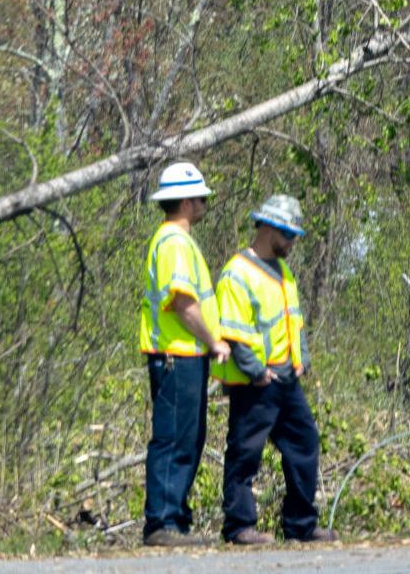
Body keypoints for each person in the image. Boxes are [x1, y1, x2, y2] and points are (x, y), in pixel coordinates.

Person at [213, 194, 338, 545]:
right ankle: (239, 527)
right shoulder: (237, 273)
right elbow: (234, 331)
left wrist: (302, 361)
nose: (292, 242)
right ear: (268, 228)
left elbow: (293, 321)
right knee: (245, 451)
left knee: (305, 443)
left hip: (286, 378)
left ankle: (299, 525)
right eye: (288, 235)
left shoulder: (283, 272)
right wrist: (257, 372)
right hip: (257, 382)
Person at [139, 161, 230, 547]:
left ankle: (174, 520)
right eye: (201, 196)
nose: (205, 202)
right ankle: (162, 523)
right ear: (187, 201)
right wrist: (215, 342)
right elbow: (183, 303)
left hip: (182, 356)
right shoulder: (175, 243)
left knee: (187, 439)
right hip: (177, 354)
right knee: (174, 438)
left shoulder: (174, 240)